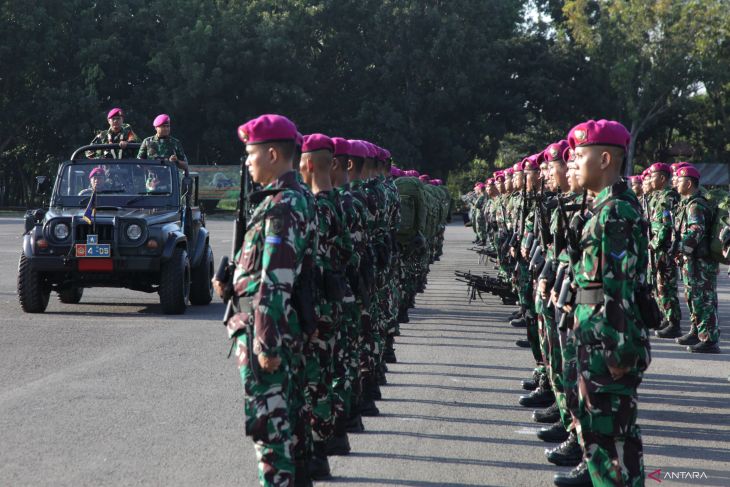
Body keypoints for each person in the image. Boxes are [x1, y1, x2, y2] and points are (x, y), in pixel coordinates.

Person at [211, 114, 317, 487]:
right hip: (278, 326)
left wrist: (266, 343)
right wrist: (235, 282)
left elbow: (276, 282)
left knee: (270, 433)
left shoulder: (283, 207)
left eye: (251, 154)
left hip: (271, 331)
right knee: (289, 427)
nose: (248, 162)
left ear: (272, 153)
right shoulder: (285, 199)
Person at [555, 119, 650, 487]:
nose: (572, 164)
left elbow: (620, 290)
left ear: (606, 159)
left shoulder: (615, 214)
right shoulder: (602, 209)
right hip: (595, 339)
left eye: (579, 156)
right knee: (601, 438)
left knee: (613, 443)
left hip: (609, 345)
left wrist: (618, 352)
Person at [673, 165, 721, 353]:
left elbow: (696, 230)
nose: (676, 182)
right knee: (692, 296)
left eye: (680, 179)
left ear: (690, 183)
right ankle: (697, 331)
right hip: (691, 260)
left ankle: (709, 339)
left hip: (700, 261)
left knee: (704, 298)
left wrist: (681, 248)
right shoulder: (687, 203)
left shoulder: (696, 205)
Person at [646, 163, 682, 338]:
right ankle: (666, 318)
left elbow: (667, 226)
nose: (650, 180)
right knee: (659, 286)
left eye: (653, 176)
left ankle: (674, 322)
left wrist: (654, 243)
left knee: (667, 286)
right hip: (656, 248)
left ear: (662, 178)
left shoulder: (667, 198)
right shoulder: (656, 197)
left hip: (664, 249)